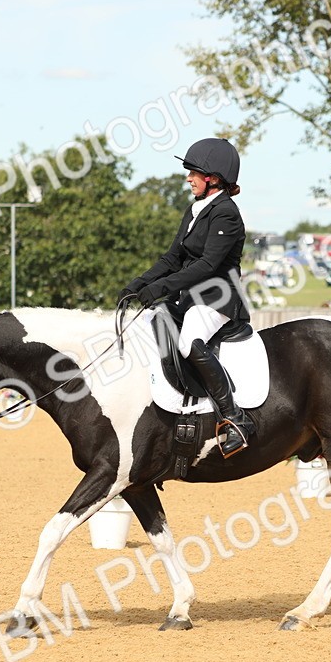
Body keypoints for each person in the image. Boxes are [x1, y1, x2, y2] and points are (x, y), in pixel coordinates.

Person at [117, 137, 254, 457]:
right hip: (190, 298)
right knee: (151, 326)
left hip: (217, 299)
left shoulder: (226, 214)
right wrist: (139, 284)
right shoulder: (195, 209)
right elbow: (172, 258)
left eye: (193, 172)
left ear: (213, 179)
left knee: (190, 341)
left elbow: (208, 266)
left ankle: (235, 418)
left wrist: (162, 288)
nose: (188, 178)